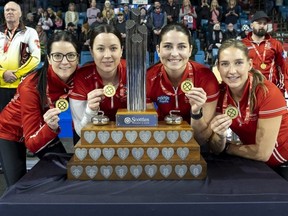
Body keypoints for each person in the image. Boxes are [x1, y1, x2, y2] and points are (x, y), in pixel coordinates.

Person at [0, 31, 80, 187]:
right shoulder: (31, 86)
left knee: (66, 170)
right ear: (49, 58)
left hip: (39, 126)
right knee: (18, 188)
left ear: (77, 57)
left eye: (70, 55)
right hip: (10, 132)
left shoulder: (79, 77)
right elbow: (31, 142)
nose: (64, 62)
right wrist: (50, 127)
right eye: (57, 56)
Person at [208, 39, 288, 179]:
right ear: (218, 68)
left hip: (283, 163)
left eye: (238, 63)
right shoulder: (220, 95)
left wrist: (228, 148)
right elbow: (215, 148)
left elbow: (262, 153)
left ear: (249, 64)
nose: (232, 71)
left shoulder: (267, 93)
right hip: (257, 165)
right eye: (225, 64)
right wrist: (220, 136)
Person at [146, 23, 219, 145]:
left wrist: (196, 112)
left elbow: (201, 139)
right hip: (160, 143)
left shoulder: (206, 78)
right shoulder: (149, 78)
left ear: (190, 50)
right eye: (168, 46)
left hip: (197, 147)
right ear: (158, 50)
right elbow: (150, 128)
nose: (174, 53)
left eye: (181, 47)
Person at [70, 24, 127, 144]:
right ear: (91, 51)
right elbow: (80, 131)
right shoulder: (81, 78)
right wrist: (90, 110)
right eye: (100, 49)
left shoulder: (133, 73)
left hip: (127, 137)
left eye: (113, 48)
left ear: (121, 50)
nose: (107, 55)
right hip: (91, 140)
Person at [0, 1, 41, 111]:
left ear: (20, 13)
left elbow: (36, 58)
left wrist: (16, 74)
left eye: (13, 10)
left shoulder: (30, 32)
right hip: (0, 85)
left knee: (20, 121)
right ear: (4, 14)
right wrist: (3, 73)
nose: (9, 12)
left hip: (22, 85)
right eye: (7, 10)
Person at [242, 11, 288, 94]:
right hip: (249, 89)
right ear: (252, 25)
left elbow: (283, 67)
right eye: (259, 23)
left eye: (264, 23)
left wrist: (281, 89)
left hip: (270, 89)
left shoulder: (275, 44)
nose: (262, 26)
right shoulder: (242, 44)